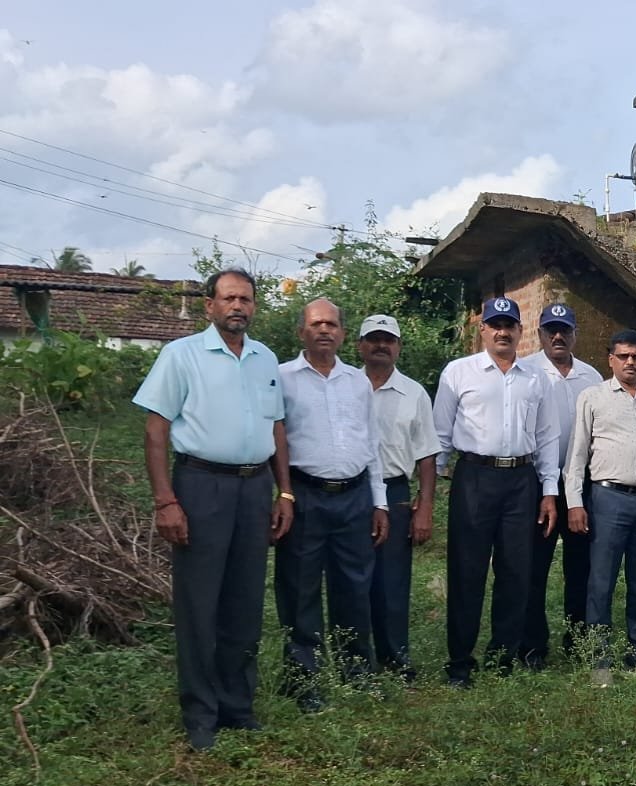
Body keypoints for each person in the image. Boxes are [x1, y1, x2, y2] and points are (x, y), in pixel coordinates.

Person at [133, 268, 293, 751]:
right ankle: (200, 714)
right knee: (200, 602)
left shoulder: (265, 359)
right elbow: (156, 430)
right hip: (202, 485)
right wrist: (166, 501)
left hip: (254, 488)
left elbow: (276, 429)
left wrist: (285, 493)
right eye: (228, 298)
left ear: (254, 306)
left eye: (245, 299)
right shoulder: (181, 355)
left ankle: (237, 707)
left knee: (245, 601)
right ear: (210, 305)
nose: (237, 306)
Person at [433, 297, 561, 688]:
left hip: (521, 481)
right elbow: (440, 434)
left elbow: (547, 436)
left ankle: (503, 656)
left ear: (520, 331)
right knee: (467, 571)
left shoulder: (536, 378)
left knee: (515, 572)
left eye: (509, 325)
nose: (503, 332)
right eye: (496, 325)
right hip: (474, 477)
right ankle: (460, 661)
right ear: (483, 329)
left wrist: (549, 491)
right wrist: (432, 487)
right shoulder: (459, 372)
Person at [275, 299, 389, 711]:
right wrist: (283, 493)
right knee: (300, 589)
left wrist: (379, 502)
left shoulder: (357, 382)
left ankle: (356, 671)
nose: (324, 330)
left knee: (354, 587)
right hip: (305, 494)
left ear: (342, 333)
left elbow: (371, 442)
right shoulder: (282, 378)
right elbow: (275, 438)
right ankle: (302, 679)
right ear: (301, 332)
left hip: (354, 497)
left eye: (332, 324)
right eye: (316, 324)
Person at [568, 330, 636, 685]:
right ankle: (599, 659)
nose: (631, 362)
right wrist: (574, 502)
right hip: (608, 499)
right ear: (611, 359)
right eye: (624, 356)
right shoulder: (593, 397)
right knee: (601, 579)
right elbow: (577, 456)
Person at [358, 314, 440, 683]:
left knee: (392, 580)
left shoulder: (414, 393)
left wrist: (425, 506)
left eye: (388, 340)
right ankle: (357, 660)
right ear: (360, 345)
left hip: (395, 491)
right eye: (374, 339)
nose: (381, 345)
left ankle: (395, 656)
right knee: (353, 577)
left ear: (398, 347)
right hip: (352, 489)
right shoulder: (346, 385)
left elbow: (427, 455)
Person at [524, 303, 603, 656]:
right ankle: (533, 644)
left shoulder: (591, 376)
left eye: (565, 330)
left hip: (581, 484)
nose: (558, 336)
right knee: (534, 566)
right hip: (537, 482)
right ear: (540, 333)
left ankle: (577, 639)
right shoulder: (526, 371)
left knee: (581, 565)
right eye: (551, 330)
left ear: (575, 334)